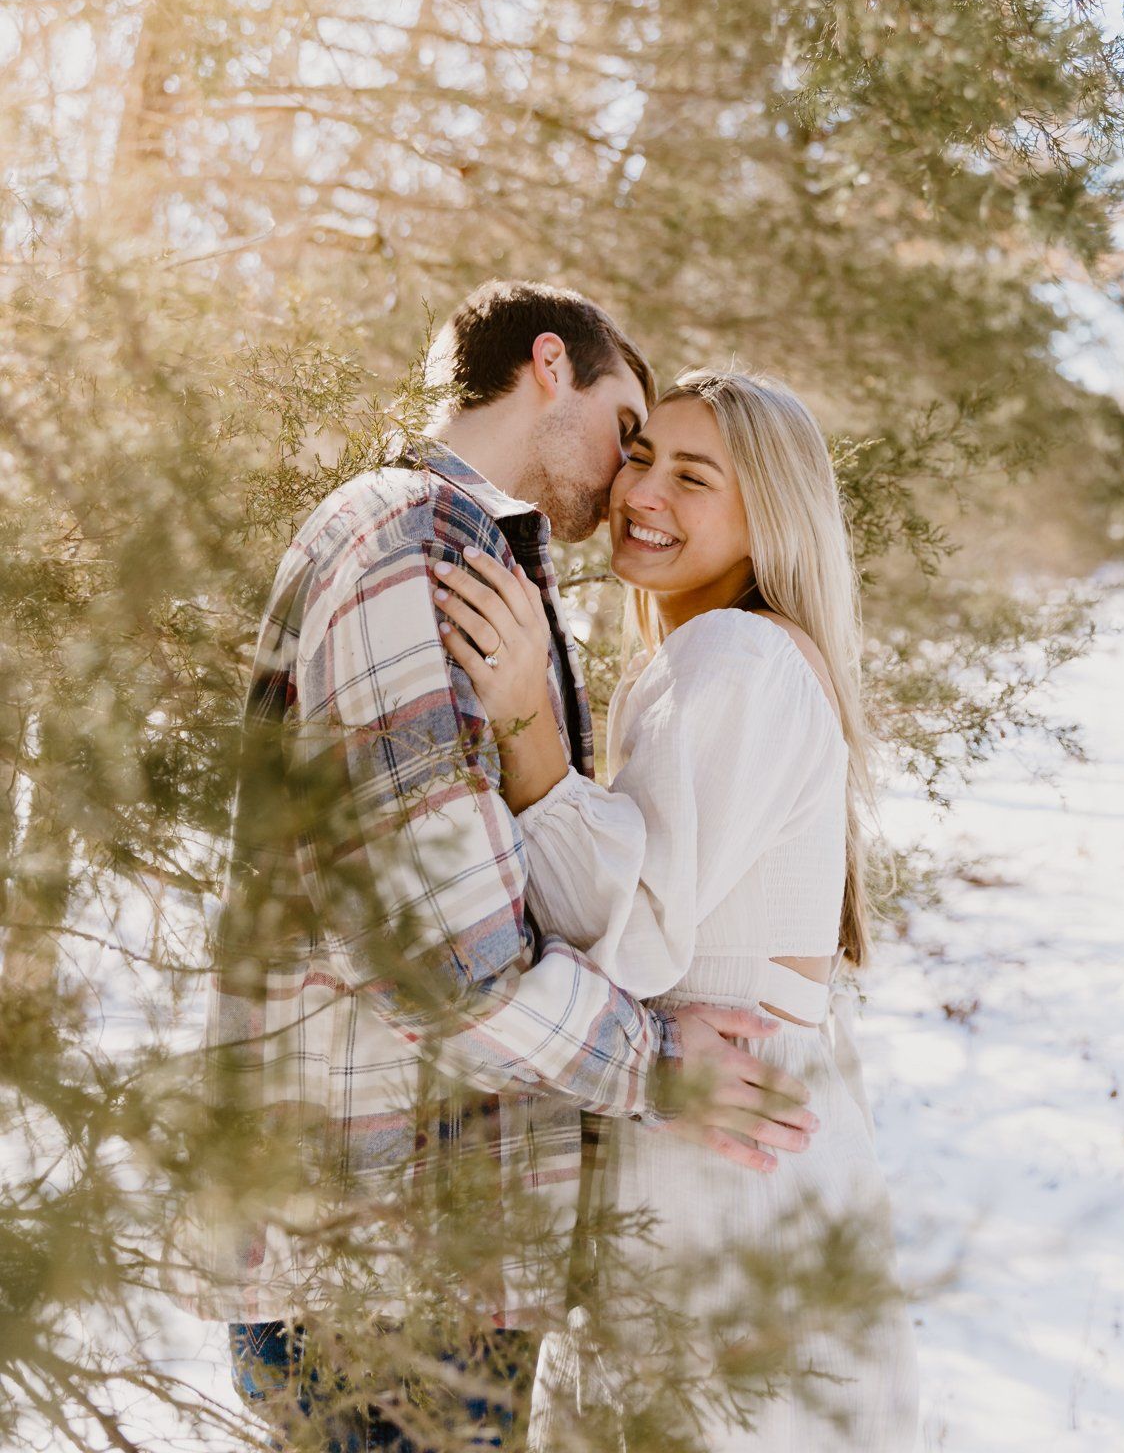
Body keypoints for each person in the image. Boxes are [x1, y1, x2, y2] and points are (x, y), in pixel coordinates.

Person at [194, 283, 818, 1451]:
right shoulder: (409, 540)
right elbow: (447, 960)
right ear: (549, 365)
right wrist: (653, 1060)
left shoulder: (458, 554)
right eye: (628, 429)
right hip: (386, 1264)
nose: (630, 480)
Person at [432, 368, 920, 1451]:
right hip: (732, 1119)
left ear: (768, 514)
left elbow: (640, 934)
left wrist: (527, 732)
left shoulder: (734, 654)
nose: (642, 490)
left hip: (722, 1144)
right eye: (642, 454)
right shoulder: (713, 653)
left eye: (693, 475)